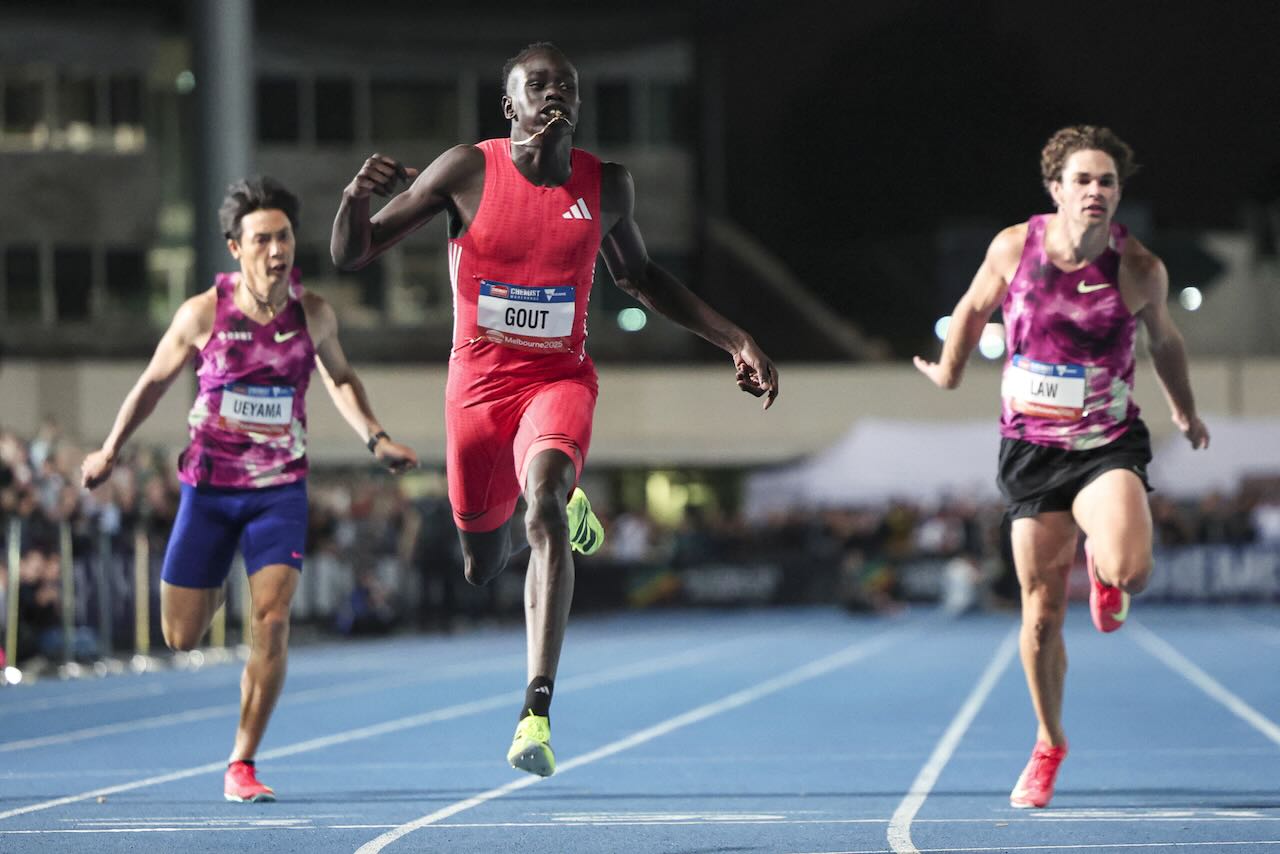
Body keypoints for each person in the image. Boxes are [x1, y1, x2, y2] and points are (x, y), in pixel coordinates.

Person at [331, 42, 778, 777]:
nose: (553, 94)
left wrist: (736, 339)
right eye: (536, 85)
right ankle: (552, 509)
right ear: (510, 104)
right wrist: (354, 198)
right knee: (481, 565)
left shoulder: (608, 185)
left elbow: (641, 277)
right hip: (477, 390)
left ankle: (534, 711)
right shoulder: (466, 171)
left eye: (565, 85)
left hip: (557, 381)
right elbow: (354, 253)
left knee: (541, 507)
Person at [81, 177, 419, 803]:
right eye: (262, 239)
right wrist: (109, 449)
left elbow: (341, 378)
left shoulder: (313, 313)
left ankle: (242, 761)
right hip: (210, 491)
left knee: (272, 619)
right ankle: (214, 581)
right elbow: (151, 384)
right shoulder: (202, 313)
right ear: (236, 248)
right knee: (181, 636)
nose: (276, 249)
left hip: (279, 491)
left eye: (283, 237)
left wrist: (376, 438)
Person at [914, 125, 1209, 809]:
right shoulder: (1014, 248)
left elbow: (1165, 343)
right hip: (1032, 450)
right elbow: (972, 309)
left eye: (1107, 181)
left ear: (1118, 194)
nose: (1095, 191)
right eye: (1083, 180)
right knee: (1042, 614)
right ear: (1057, 189)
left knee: (1133, 571)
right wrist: (949, 373)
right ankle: (1049, 744)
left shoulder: (1140, 269)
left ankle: (1106, 574)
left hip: (1106, 443)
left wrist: (1185, 412)